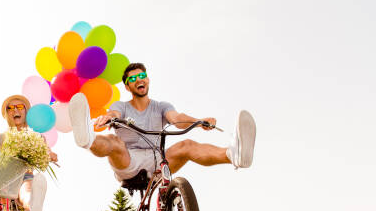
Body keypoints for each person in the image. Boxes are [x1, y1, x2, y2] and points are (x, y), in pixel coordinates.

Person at [68, 62, 256, 182]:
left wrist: (198, 121)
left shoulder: (161, 106)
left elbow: (177, 119)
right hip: (129, 161)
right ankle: (87, 139)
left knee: (187, 145)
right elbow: (114, 112)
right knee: (114, 142)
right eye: (133, 79)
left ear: (147, 79)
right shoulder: (122, 106)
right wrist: (109, 117)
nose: (138, 80)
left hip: (159, 161)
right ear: (127, 86)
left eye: (142, 76)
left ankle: (234, 154)